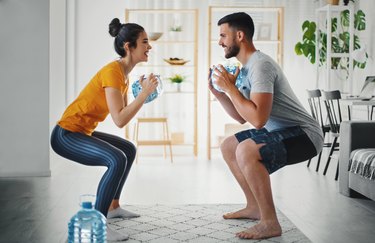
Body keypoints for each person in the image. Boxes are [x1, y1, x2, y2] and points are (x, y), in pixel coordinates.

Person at [209, 12, 323, 239]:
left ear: (239, 35)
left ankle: (270, 222)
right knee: (229, 145)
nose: (220, 42)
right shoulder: (246, 69)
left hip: (306, 135)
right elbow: (243, 117)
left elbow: (259, 119)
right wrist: (220, 93)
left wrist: (230, 89)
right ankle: (254, 208)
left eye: (223, 36)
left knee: (246, 149)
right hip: (281, 132)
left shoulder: (260, 66)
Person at [50, 18, 159, 241]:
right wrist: (144, 94)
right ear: (129, 46)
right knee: (116, 158)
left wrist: (141, 91)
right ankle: (99, 225)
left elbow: (124, 111)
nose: (150, 46)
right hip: (66, 135)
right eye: (145, 41)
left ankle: (113, 207)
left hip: (81, 132)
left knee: (127, 149)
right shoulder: (112, 71)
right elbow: (119, 119)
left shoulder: (123, 74)